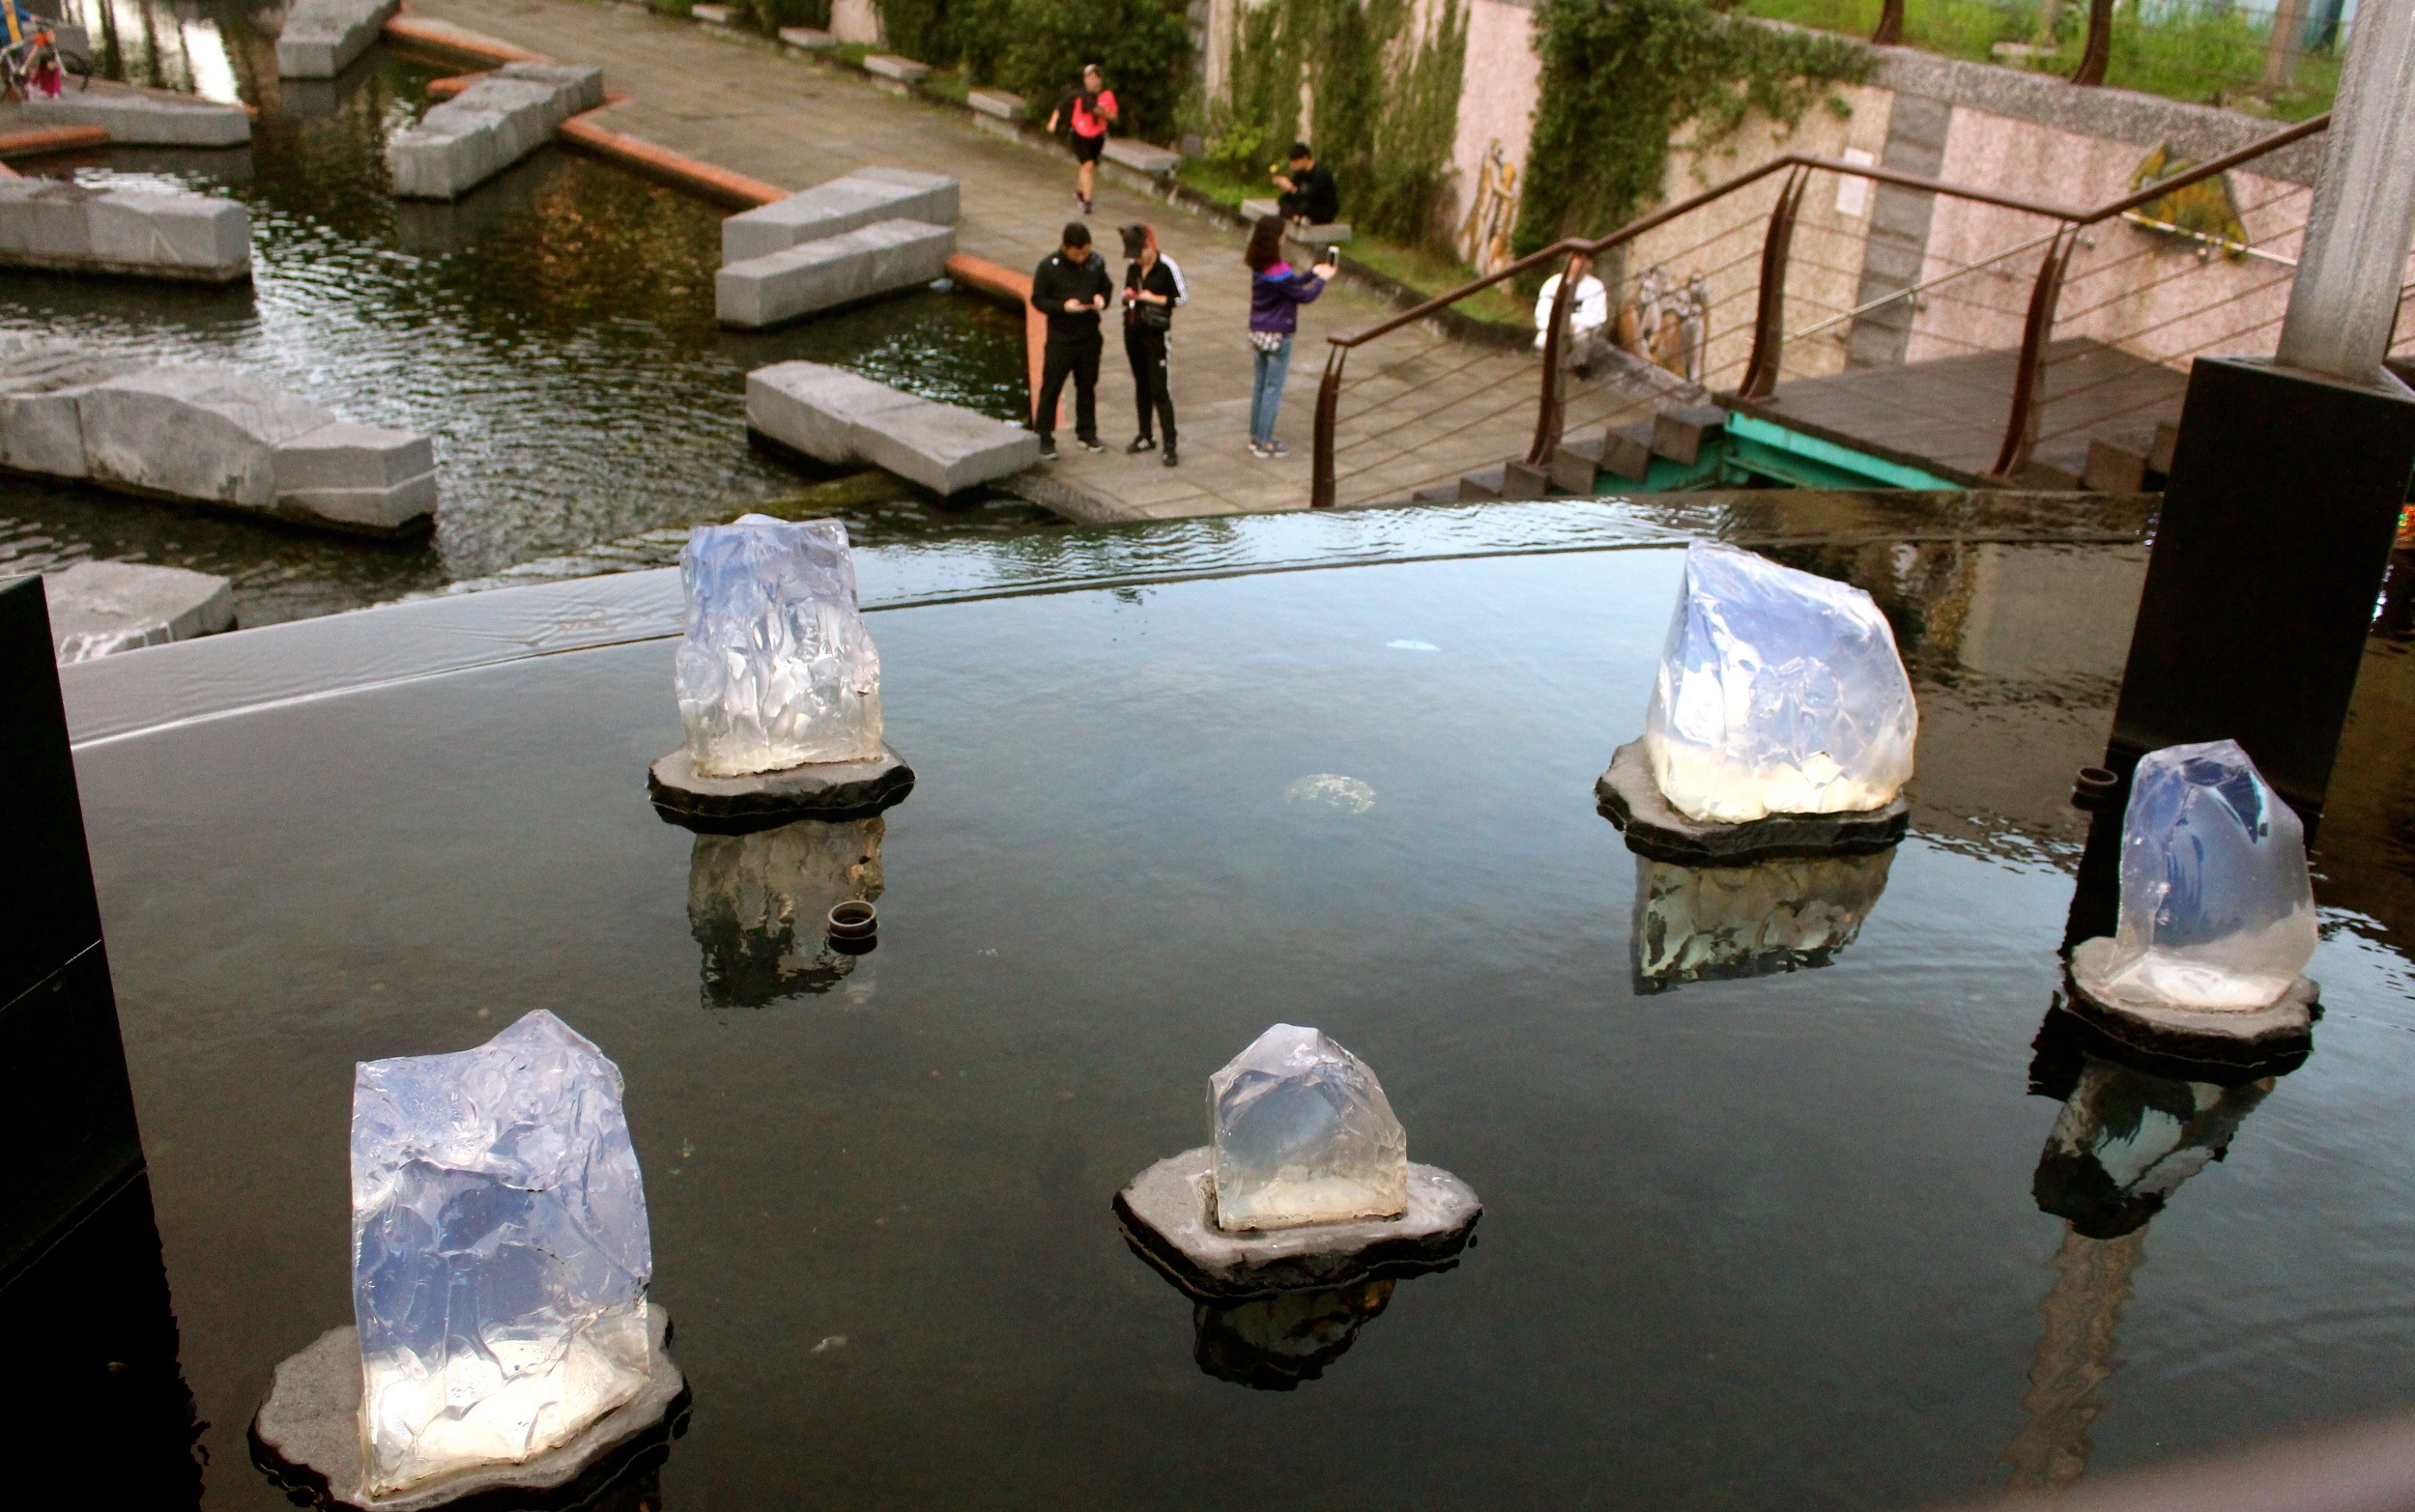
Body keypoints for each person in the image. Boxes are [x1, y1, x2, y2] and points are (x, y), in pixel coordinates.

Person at [1244, 214, 1335, 460]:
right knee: (1274, 388)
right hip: (1279, 334)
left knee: (1261, 386)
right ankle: (1266, 442)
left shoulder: (1259, 264)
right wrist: (1322, 281)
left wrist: (1312, 273)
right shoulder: (1279, 270)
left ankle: (1255, 435)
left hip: (1259, 331)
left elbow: (1291, 284)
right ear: (1277, 238)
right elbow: (1303, 296)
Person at [1029, 221, 1114, 460]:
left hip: (1089, 336)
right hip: (1062, 339)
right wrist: (1063, 308)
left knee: (1087, 386)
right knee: (1051, 388)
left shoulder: (1096, 263)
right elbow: (1038, 299)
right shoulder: (1048, 268)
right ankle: (1043, 436)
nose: (1082, 258)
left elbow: (1106, 286)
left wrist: (1101, 299)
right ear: (1066, 248)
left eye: (1086, 253)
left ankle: (1087, 432)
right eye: (1078, 254)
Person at [1118, 223, 1187, 466]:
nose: (1136, 260)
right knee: (1141, 384)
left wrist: (1153, 298)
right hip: (1133, 330)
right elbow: (1125, 291)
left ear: (1150, 246)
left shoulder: (1167, 267)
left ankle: (1170, 443)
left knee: (1159, 388)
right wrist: (1129, 295)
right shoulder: (1132, 267)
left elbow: (1181, 297)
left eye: (1139, 254)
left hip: (1155, 334)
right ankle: (1145, 434)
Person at [1045, 65, 1117, 217]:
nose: (1091, 80)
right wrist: (1053, 122)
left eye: (1094, 77)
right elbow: (1061, 106)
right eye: (1088, 77)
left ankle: (1079, 192)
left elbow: (1113, 116)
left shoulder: (1106, 96)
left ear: (1099, 79)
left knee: (1087, 168)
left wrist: (1102, 112)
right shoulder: (1078, 95)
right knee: (1088, 165)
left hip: (1097, 137)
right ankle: (1087, 201)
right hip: (1079, 135)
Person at [1533, 253, 1612, 379]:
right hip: (1555, 327)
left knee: (1581, 336)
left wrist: (1572, 322)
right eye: (1575, 258)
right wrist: (1558, 325)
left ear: (1589, 264)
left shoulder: (1596, 286)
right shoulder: (1553, 283)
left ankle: (1575, 368)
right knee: (1541, 340)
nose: (1578, 263)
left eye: (1582, 259)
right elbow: (1541, 314)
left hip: (1580, 328)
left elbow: (1598, 316)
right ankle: (1550, 369)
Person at [1271, 143, 1338, 228]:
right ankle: (1296, 217)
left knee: (1305, 205)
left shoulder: (1320, 173)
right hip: (1304, 203)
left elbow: (1312, 196)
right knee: (1283, 200)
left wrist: (1291, 188)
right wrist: (1287, 189)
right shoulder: (1300, 173)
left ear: (1305, 158)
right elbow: (1294, 194)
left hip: (1321, 206)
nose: (1293, 165)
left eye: (1295, 162)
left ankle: (1297, 216)